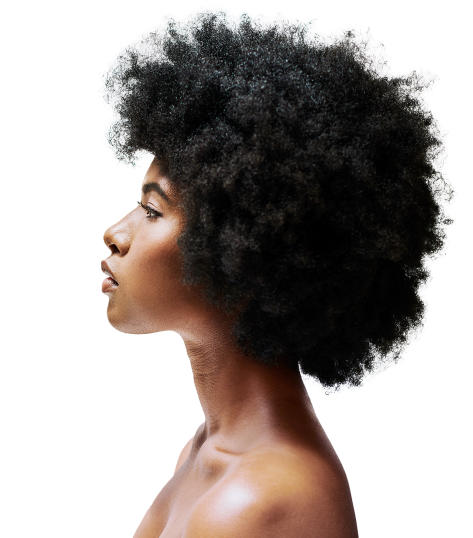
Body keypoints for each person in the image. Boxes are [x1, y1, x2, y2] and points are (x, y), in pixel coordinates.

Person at [100, 14, 445, 537]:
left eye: (153, 211)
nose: (115, 234)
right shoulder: (203, 455)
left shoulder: (262, 498)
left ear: (244, 249)